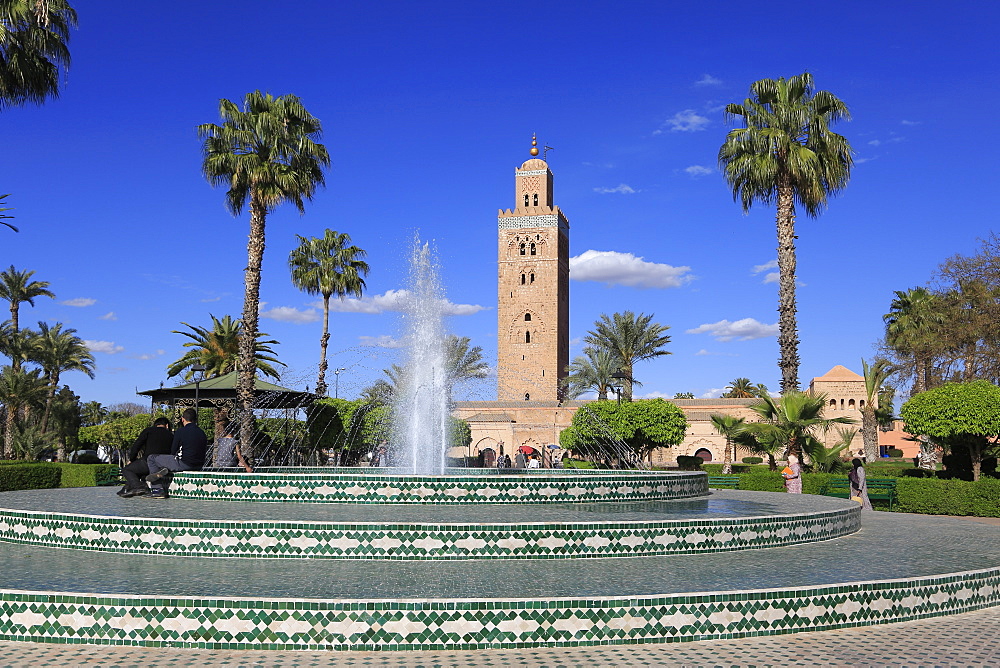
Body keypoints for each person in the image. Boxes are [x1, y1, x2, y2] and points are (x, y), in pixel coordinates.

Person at [145, 408, 207, 499]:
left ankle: (157, 490)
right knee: (167, 461)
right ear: (195, 419)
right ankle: (165, 469)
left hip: (184, 464)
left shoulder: (181, 431)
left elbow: (173, 451)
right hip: (199, 465)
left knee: (152, 458)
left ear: (183, 419)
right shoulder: (202, 433)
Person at [119, 417, 173, 497]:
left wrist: (132, 459)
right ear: (167, 425)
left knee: (127, 470)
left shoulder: (149, 431)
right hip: (164, 464)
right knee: (139, 472)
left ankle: (139, 487)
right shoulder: (171, 435)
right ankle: (126, 488)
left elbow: (136, 446)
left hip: (148, 462)